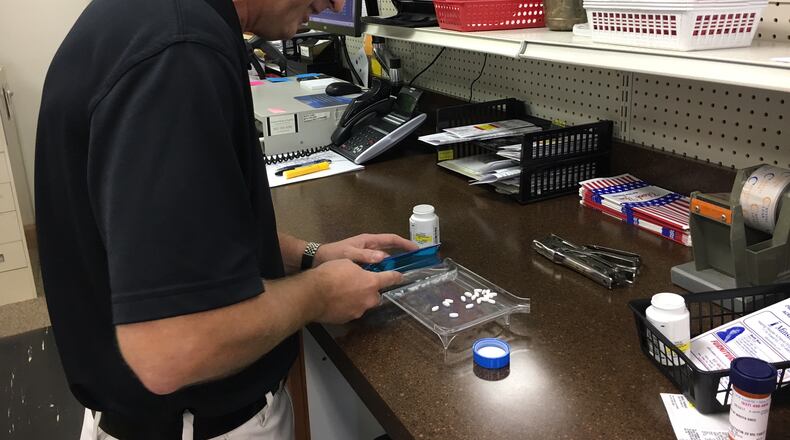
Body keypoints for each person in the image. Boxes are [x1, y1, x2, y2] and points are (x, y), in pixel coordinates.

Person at [34, 0, 418, 438]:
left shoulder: (155, 18)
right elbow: (172, 348)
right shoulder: (180, 51)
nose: (335, 3)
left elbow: (192, 230)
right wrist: (320, 293)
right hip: (196, 425)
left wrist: (312, 256)